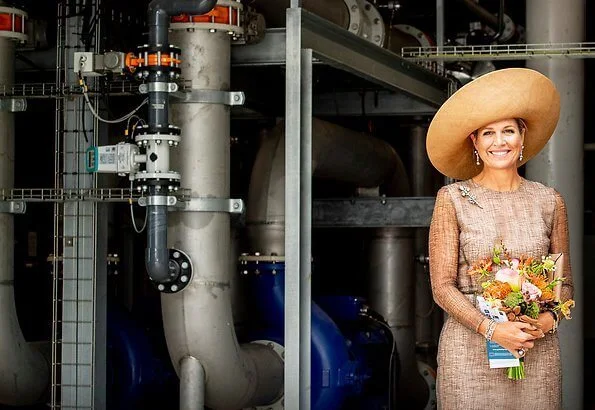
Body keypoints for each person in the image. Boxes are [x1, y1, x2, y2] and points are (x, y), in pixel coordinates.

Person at [426, 68, 573, 409]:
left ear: (522, 137)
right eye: (488, 133)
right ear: (474, 142)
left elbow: (564, 285)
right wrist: (491, 330)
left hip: (536, 350)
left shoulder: (549, 200)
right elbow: (442, 287)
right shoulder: (453, 199)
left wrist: (547, 319)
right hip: (470, 353)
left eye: (508, 130)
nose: (499, 141)